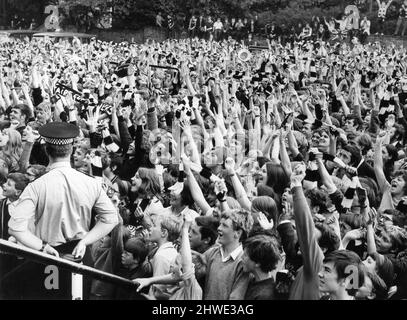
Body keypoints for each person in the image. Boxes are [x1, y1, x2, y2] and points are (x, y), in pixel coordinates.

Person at [7, 121, 119, 299]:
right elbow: (111, 218)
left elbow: (15, 227)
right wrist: (85, 241)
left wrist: (42, 247)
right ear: (71, 151)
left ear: (46, 151)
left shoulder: (36, 186)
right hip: (81, 255)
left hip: (50, 256)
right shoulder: (90, 183)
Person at [203, 209, 254, 300]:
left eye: (224, 225)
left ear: (237, 233)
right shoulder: (212, 253)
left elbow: (236, 298)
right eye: (220, 224)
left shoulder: (243, 262)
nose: (219, 228)